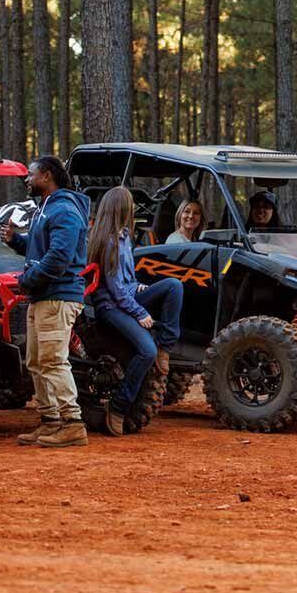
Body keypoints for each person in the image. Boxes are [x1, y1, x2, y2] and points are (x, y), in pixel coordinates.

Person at [2, 154, 92, 449]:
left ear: (47, 176)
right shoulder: (48, 209)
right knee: (37, 361)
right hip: (44, 296)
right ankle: (51, 421)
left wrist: (27, 280)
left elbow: (60, 257)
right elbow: (45, 249)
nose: (27, 179)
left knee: (53, 360)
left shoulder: (64, 210)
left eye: (31, 174)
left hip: (57, 296)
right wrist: (17, 241)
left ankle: (73, 423)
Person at [88, 187, 185, 436]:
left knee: (173, 286)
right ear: (120, 208)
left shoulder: (124, 236)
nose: (134, 208)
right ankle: (119, 407)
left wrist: (139, 287)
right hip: (110, 307)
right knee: (146, 350)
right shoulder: (107, 240)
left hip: (126, 296)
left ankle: (166, 346)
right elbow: (114, 289)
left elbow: (125, 282)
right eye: (130, 204)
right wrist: (139, 312)